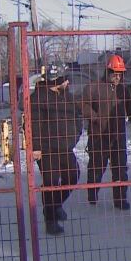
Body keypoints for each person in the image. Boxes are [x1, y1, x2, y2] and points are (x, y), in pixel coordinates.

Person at [81, 54, 131, 210]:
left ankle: (120, 199)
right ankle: (92, 194)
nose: (118, 77)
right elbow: (82, 104)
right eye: (115, 73)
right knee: (96, 168)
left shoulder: (123, 90)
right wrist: (94, 117)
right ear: (107, 71)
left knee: (120, 169)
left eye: (120, 74)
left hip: (118, 136)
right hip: (99, 136)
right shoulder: (94, 88)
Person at [29, 63, 82, 236]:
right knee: (51, 183)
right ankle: (50, 219)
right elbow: (32, 124)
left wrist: (74, 137)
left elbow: (77, 118)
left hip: (65, 147)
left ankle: (56, 205)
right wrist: (36, 148)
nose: (66, 83)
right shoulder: (38, 97)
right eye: (63, 80)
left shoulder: (68, 97)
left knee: (72, 176)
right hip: (46, 149)